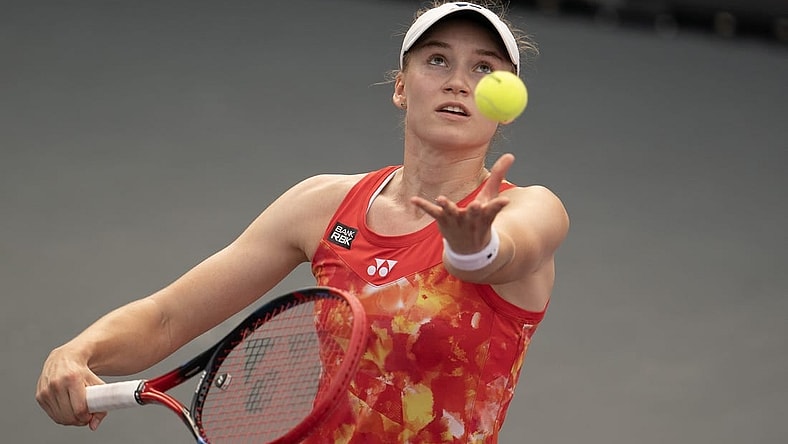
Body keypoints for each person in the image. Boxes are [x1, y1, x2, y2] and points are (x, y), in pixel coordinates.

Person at [36, 1, 569, 442]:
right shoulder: (322, 204)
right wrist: (79, 351)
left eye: (483, 68)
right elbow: (167, 318)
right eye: (436, 60)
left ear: (506, 104)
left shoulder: (529, 208)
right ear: (401, 87)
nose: (458, 81)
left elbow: (508, 250)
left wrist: (474, 249)